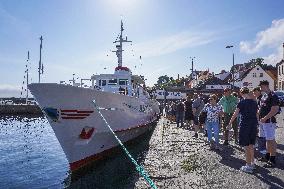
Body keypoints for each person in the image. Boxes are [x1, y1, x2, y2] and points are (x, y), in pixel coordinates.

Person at [229, 87, 258, 173]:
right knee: (251, 145)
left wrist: (230, 123)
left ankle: (248, 166)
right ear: (248, 92)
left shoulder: (241, 103)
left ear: (241, 93)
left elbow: (235, 114)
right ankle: (252, 163)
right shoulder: (254, 102)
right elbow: (257, 114)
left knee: (246, 146)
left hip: (245, 126)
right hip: (253, 125)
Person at [258, 80, 280, 167]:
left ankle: (272, 159)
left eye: (261, 86)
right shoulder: (265, 95)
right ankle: (267, 156)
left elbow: (274, 109)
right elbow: (261, 107)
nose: (260, 88)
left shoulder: (273, 96)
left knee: (271, 140)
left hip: (269, 121)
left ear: (266, 86)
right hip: (264, 121)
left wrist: (265, 118)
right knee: (268, 139)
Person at [252, 87, 266, 155]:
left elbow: (260, 110)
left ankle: (263, 152)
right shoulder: (258, 98)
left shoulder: (261, 98)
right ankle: (261, 149)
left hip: (262, 119)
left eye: (255, 92)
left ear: (258, 91)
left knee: (262, 135)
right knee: (259, 134)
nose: (254, 93)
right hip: (259, 119)